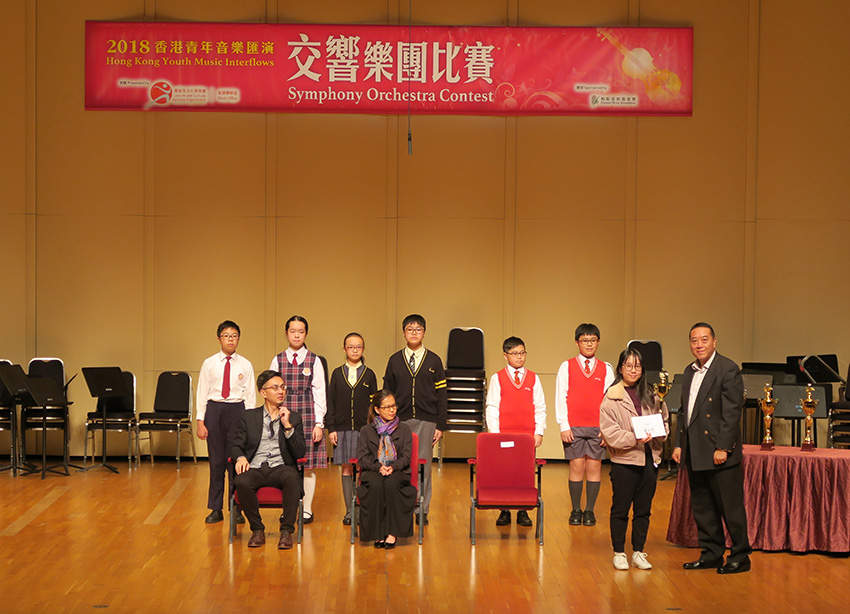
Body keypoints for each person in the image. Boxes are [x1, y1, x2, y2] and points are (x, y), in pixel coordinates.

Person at [672, 322, 752, 574]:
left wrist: (723, 447)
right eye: (694, 340)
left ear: (714, 341)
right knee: (703, 507)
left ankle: (740, 555)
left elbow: (732, 413)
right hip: (694, 449)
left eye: (704, 339)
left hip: (719, 452)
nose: (699, 345)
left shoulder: (727, 369)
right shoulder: (689, 371)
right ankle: (711, 554)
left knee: (730, 507)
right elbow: (685, 411)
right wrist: (679, 444)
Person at [600, 348, 669, 571]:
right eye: (628, 366)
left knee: (643, 509)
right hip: (624, 461)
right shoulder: (611, 397)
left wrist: (660, 432)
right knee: (620, 509)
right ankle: (619, 552)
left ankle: (638, 551)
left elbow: (664, 421)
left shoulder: (652, 394)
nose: (633, 370)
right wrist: (635, 437)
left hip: (649, 458)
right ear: (620, 368)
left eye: (637, 366)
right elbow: (610, 434)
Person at [382, 314, 447, 527]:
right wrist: (387, 420)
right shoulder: (394, 360)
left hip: (427, 420)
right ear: (403, 333)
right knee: (398, 464)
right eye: (410, 329)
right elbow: (387, 393)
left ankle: (421, 509)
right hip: (399, 421)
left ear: (424, 333)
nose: (414, 333)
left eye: (418, 329)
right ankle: (400, 506)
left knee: (423, 465)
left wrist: (441, 425)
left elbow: (442, 395)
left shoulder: (434, 360)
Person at [232, 370, 306, 550]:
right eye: (275, 388)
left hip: (281, 467)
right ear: (263, 393)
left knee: (292, 477)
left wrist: (287, 427)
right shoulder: (248, 417)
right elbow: (236, 445)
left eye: (283, 387)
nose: (281, 391)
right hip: (255, 467)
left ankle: (286, 531)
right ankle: (257, 530)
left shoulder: (294, 417)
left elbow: (300, 452)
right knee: (242, 481)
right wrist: (240, 457)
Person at [196, 320, 256, 525]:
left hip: (237, 411)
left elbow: (250, 396)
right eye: (226, 336)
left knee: (236, 461)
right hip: (214, 410)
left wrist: (249, 422)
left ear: (238, 339)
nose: (230, 339)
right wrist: (200, 421)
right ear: (219, 338)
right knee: (216, 462)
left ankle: (236, 507)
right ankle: (215, 508)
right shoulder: (209, 363)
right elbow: (202, 393)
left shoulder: (245, 364)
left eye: (234, 336)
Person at [555, 323, 615, 527]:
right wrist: (564, 425)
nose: (589, 344)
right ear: (577, 342)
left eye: (593, 340)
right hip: (574, 427)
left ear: (598, 342)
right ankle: (575, 509)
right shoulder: (567, 366)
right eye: (584, 340)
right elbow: (561, 397)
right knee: (577, 466)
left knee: (594, 467)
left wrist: (607, 429)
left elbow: (610, 401)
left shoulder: (606, 368)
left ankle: (589, 510)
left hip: (598, 427)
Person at [269, 315, 327, 524]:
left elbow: (320, 392)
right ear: (286, 333)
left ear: (306, 334)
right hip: (283, 412)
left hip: (308, 413)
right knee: (285, 463)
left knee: (307, 464)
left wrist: (319, 423)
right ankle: (288, 509)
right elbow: (271, 390)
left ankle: (307, 509)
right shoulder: (277, 359)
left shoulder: (314, 360)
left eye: (300, 332)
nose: (296, 335)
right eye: (292, 331)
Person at [484, 336, 546, 527]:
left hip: (526, 436)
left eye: (522, 353)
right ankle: (504, 509)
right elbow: (492, 406)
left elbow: (540, 407)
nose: (519, 357)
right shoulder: (497, 378)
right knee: (504, 472)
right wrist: (495, 434)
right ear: (505, 355)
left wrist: (539, 431)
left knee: (524, 472)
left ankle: (523, 509)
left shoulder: (533, 378)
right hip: (504, 434)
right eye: (515, 353)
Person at [327, 332, 377, 526]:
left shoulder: (369, 374)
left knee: (364, 467)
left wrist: (374, 429)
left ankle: (363, 508)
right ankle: (349, 510)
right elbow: (331, 402)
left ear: (363, 349)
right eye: (350, 347)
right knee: (347, 468)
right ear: (344, 349)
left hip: (365, 430)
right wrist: (331, 428)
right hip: (342, 429)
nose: (354, 350)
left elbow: (374, 406)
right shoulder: (337, 374)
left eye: (358, 347)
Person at [356, 390, 417, 548]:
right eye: (387, 407)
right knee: (376, 485)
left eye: (394, 406)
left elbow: (406, 457)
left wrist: (392, 467)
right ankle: (377, 533)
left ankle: (392, 532)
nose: (392, 410)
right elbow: (362, 458)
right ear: (377, 409)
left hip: (398, 471)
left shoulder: (404, 429)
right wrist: (379, 467)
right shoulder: (366, 430)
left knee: (391, 484)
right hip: (373, 470)